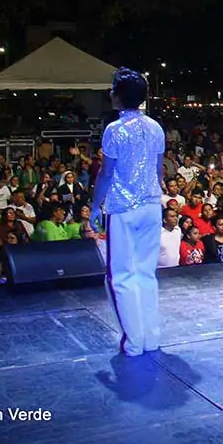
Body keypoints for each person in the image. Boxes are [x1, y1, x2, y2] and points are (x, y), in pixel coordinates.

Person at [90, 68, 166, 357]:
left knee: (121, 276)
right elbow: (158, 170)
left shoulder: (114, 130)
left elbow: (106, 173)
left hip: (122, 209)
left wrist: (95, 205)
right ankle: (151, 338)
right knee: (146, 273)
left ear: (118, 96)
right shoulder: (156, 127)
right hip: (151, 207)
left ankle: (134, 342)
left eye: (113, 89)